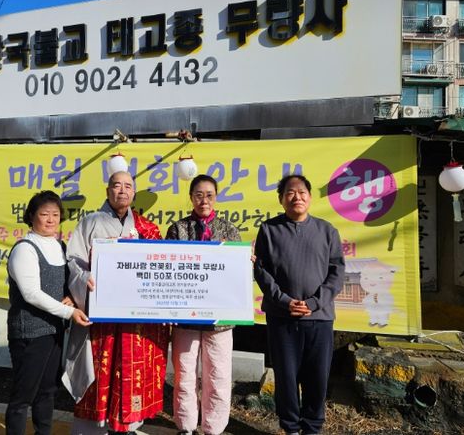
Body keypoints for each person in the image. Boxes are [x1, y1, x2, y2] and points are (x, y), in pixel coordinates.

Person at [64, 171, 169, 435]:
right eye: (117, 185)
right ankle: (92, 428)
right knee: (98, 370)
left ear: (133, 193)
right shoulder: (90, 222)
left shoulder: (147, 229)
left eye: (128, 186)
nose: (122, 190)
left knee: (132, 372)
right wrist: (85, 278)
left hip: (135, 323)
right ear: (108, 191)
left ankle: (128, 426)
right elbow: (74, 261)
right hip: (100, 317)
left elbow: (161, 269)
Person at [253, 175, 345, 435]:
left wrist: (314, 303)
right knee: (285, 376)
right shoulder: (269, 230)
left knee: (317, 377)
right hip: (282, 318)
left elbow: (337, 273)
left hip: (319, 318)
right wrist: (285, 301)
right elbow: (261, 271)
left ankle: (312, 427)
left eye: (302, 192)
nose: (297, 197)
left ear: (310, 197)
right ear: (281, 199)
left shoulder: (327, 231)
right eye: (290, 193)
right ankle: (291, 427)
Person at [5, 190, 91, 435]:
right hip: (30, 332)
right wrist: (68, 312)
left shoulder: (59, 246)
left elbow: (65, 283)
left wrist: (71, 296)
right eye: (44, 214)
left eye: (55, 214)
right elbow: (31, 293)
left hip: (54, 331)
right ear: (32, 216)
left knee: (47, 391)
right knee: (23, 395)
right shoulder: (25, 248)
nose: (51, 219)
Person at [165, 174, 241, 435]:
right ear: (191, 198)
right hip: (185, 317)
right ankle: (185, 426)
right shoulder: (177, 229)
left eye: (209, 195)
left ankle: (213, 429)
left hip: (221, 320)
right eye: (199, 195)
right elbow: (167, 270)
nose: (204, 200)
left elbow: (239, 275)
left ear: (216, 197)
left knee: (218, 375)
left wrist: (246, 264)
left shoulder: (229, 230)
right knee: (184, 374)